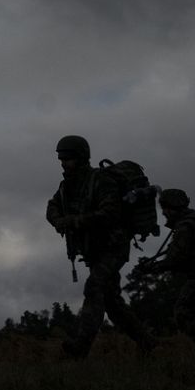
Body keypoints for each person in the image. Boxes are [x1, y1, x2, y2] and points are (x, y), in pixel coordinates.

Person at [46, 135, 156, 358]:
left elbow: (109, 213)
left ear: (81, 158)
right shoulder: (67, 185)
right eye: (61, 159)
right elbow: (52, 206)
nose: (64, 163)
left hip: (113, 247)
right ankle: (147, 342)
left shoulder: (101, 181)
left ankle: (79, 348)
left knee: (94, 288)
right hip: (93, 250)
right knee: (112, 302)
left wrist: (73, 221)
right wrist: (58, 220)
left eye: (68, 158)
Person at [136, 189, 195, 356]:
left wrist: (153, 268)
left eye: (164, 208)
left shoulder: (185, 226)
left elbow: (175, 258)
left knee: (184, 313)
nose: (163, 212)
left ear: (171, 207)